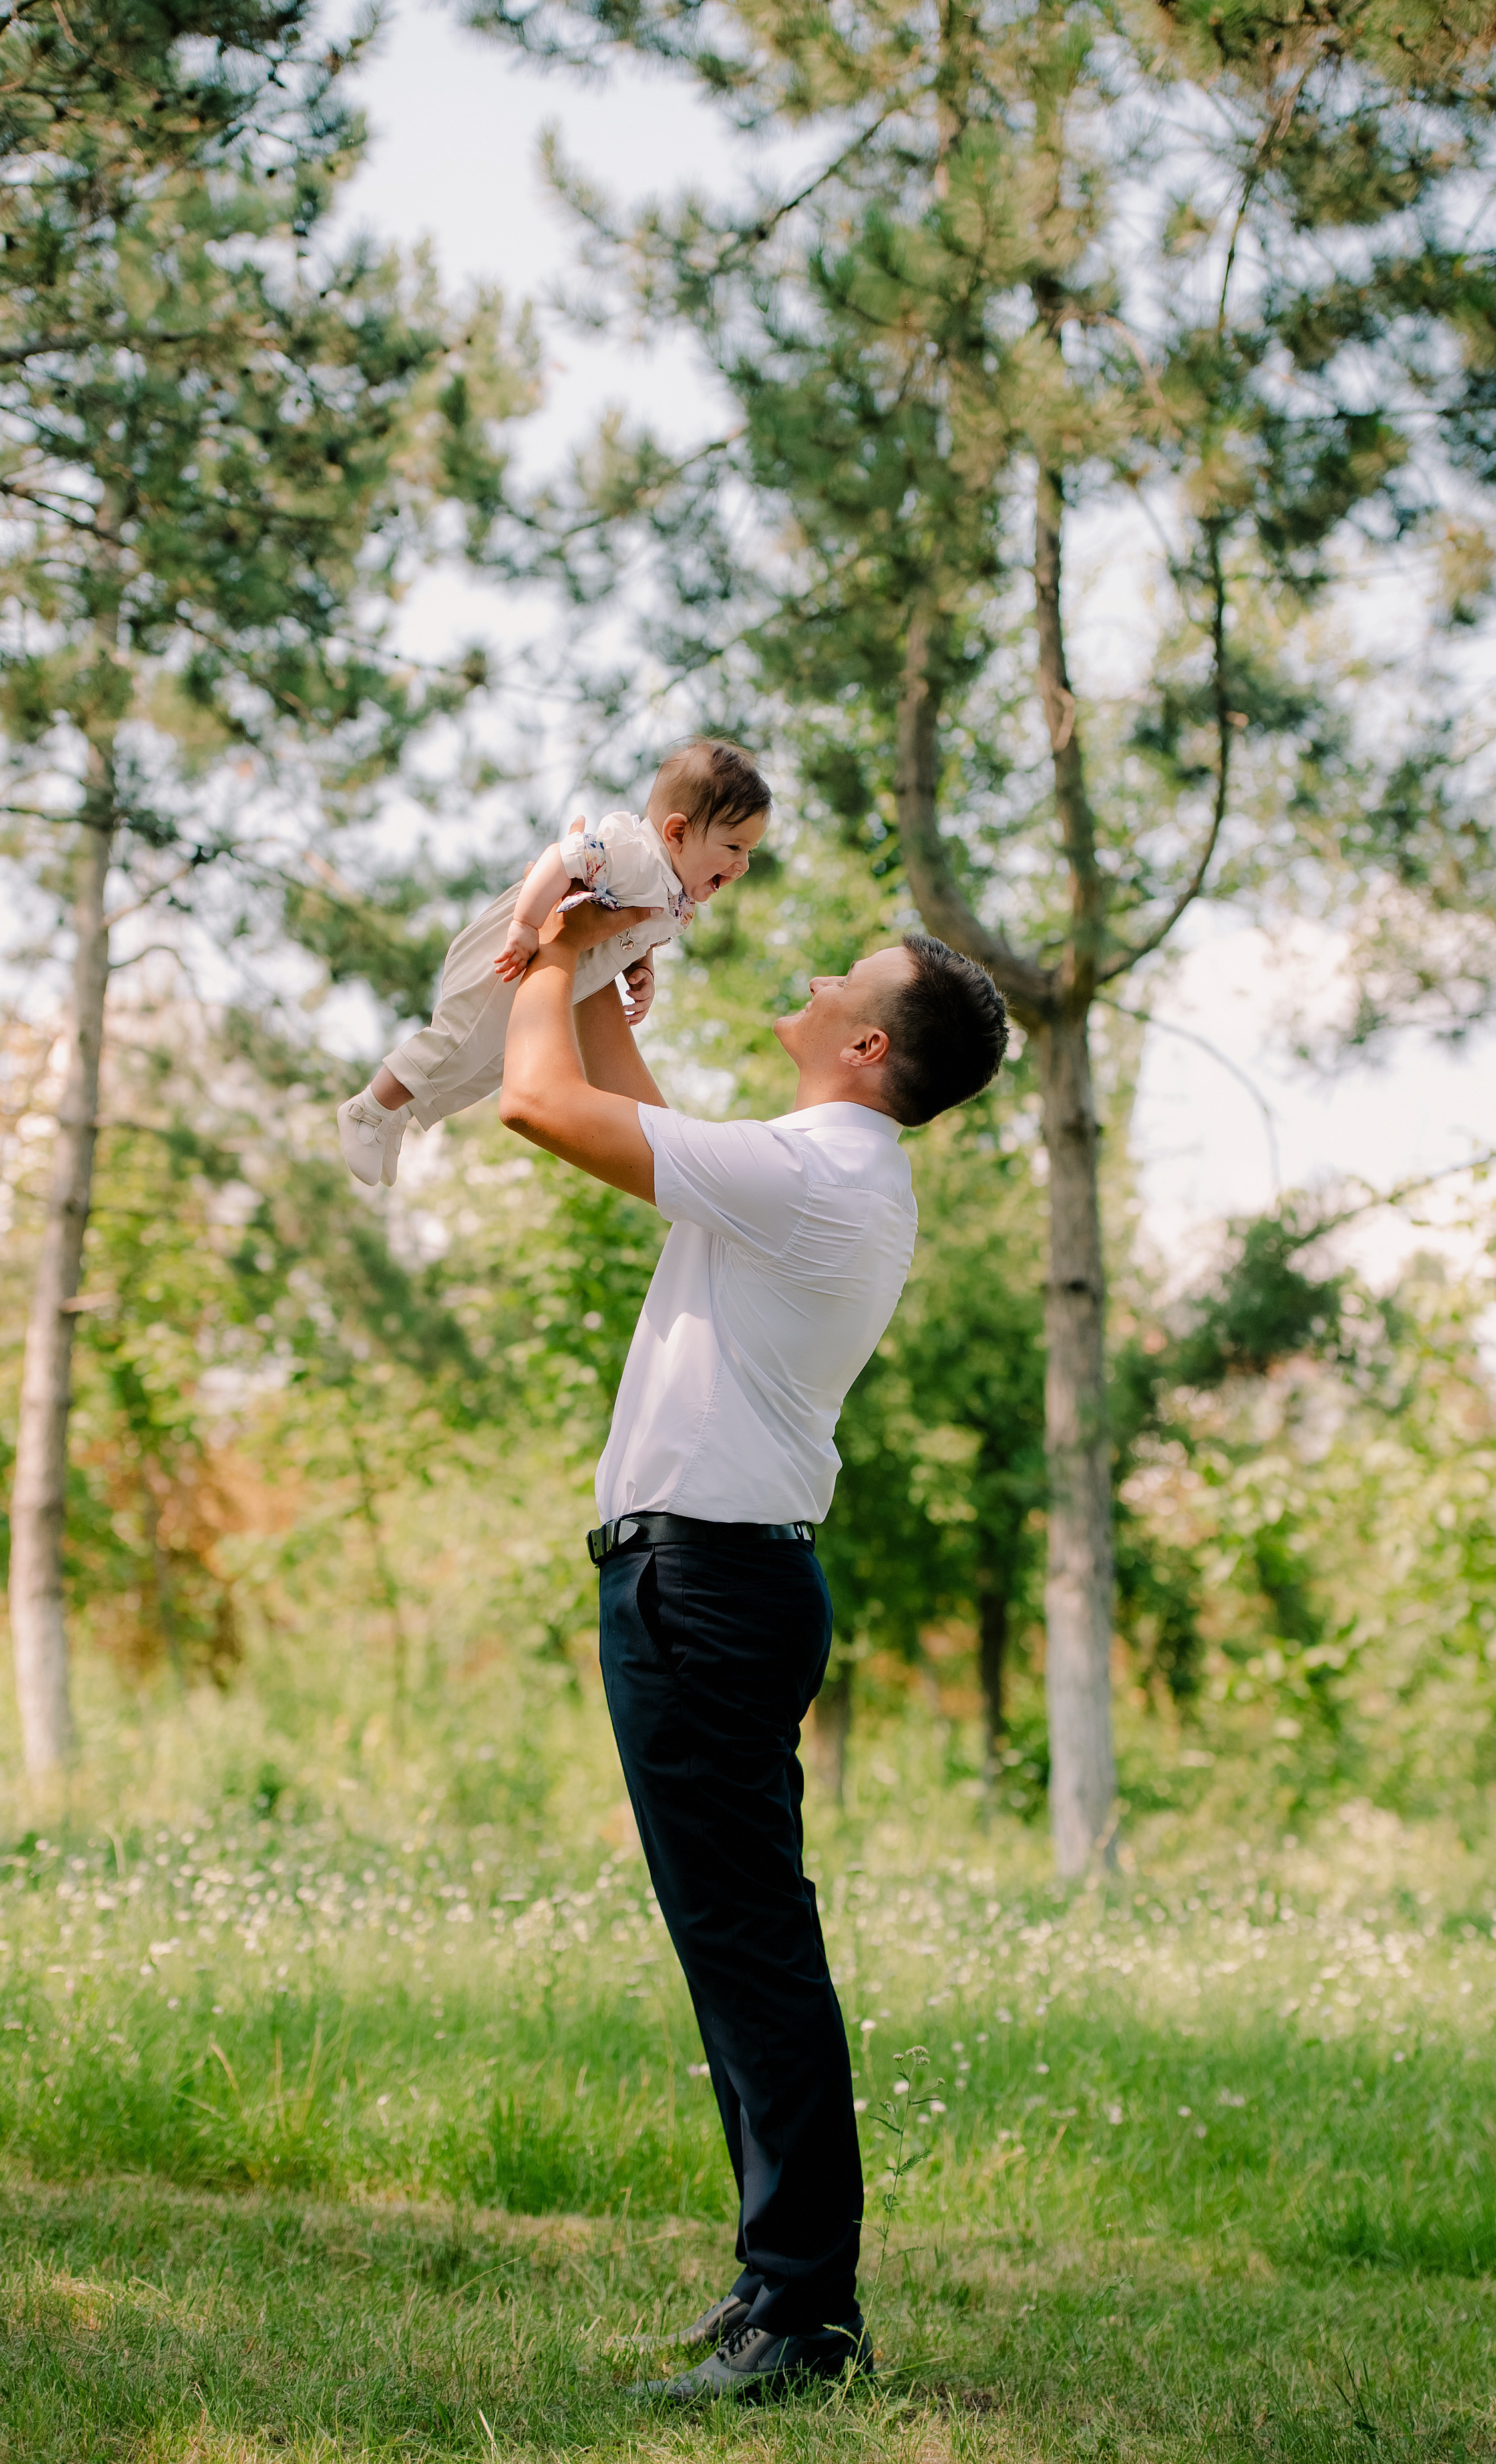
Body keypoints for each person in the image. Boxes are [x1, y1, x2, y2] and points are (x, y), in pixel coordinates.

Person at [495, 893, 1010, 2403]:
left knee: (751, 1953)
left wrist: (540, 951)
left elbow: (538, 1105)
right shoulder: (802, 1176)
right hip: (712, 1588)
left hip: (707, 1593)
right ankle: (774, 2293)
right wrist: (595, 981)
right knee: (739, 1948)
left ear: (862, 1046)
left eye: (847, 977)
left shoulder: (817, 1177)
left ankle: (802, 2319)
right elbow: (622, 1118)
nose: (816, 970)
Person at [335, 738, 771, 1188]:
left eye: (749, 852)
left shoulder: (674, 895)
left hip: (550, 976)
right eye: (734, 847)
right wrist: (525, 924)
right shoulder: (633, 855)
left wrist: (643, 970)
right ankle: (369, 1109)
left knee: (487, 1065)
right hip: (513, 955)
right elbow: (561, 857)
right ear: (677, 833)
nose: (743, 865)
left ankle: (396, 1115)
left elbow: (638, 931)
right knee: (460, 1041)